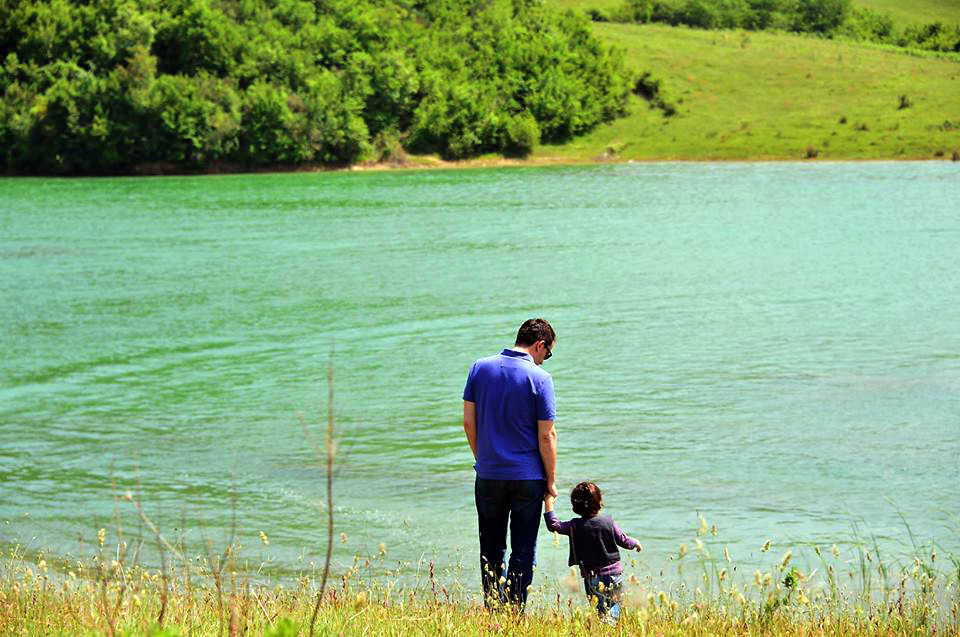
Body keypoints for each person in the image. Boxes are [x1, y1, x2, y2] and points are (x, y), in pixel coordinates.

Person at [463, 318, 558, 610]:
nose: (545, 360)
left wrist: (484, 460)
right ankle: (515, 612)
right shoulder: (540, 379)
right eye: (548, 353)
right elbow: (547, 435)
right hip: (528, 479)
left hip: (489, 475)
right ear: (539, 344)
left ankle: (494, 608)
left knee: (491, 547)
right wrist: (551, 481)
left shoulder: (479, 368)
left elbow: (468, 423)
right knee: (523, 549)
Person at [544, 481, 642, 624]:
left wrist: (548, 501)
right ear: (599, 502)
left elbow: (553, 525)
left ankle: (606, 626)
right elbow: (624, 540)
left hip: (592, 577)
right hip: (614, 575)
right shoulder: (608, 522)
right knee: (615, 604)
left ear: (575, 507)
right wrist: (636, 543)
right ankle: (610, 626)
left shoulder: (574, 525)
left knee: (599, 608)